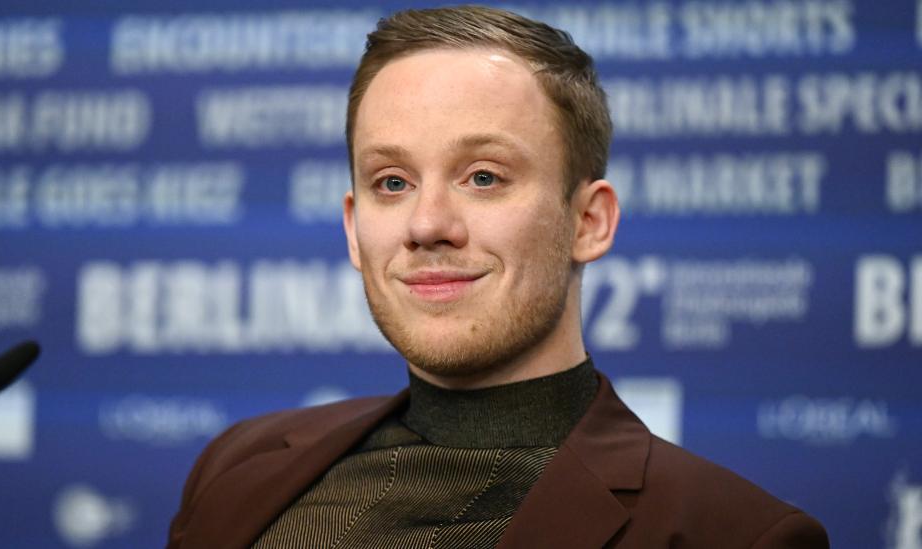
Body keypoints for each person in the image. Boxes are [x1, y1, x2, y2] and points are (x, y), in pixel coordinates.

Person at [167, 6, 829, 548]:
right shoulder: (235, 464)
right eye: (391, 182)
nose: (427, 223)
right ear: (352, 229)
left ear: (589, 222)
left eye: (484, 176)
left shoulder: (733, 534)